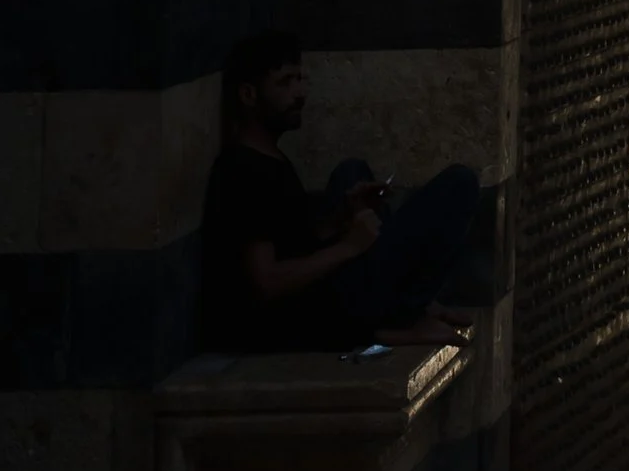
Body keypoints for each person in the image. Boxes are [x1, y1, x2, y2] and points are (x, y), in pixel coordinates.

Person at [197, 29, 482, 354]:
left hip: (323, 296)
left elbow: (294, 243)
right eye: (285, 82)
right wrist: (349, 246)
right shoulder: (243, 172)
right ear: (249, 95)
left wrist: (340, 219)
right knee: (460, 184)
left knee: (351, 172)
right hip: (300, 321)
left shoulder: (269, 159)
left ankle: (411, 305)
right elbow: (266, 282)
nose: (300, 93)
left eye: (300, 80)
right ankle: (404, 315)